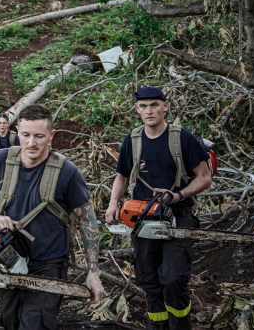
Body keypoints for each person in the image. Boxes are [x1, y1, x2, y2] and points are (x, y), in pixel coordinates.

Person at [0, 104, 104, 330]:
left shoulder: (67, 172)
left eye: (39, 136)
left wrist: (94, 271)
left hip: (48, 263)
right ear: (17, 133)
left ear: (51, 135)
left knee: (35, 324)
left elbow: (87, 221)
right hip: (8, 258)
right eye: (25, 135)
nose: (31, 143)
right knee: (11, 321)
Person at [105, 86, 211, 330]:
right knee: (149, 280)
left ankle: (180, 325)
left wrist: (178, 195)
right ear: (137, 109)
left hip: (178, 216)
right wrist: (113, 205)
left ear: (166, 106)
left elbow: (204, 177)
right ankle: (158, 327)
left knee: (173, 279)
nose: (149, 110)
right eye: (143, 106)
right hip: (142, 218)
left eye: (154, 105)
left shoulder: (182, 138)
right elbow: (121, 176)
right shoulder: (132, 140)